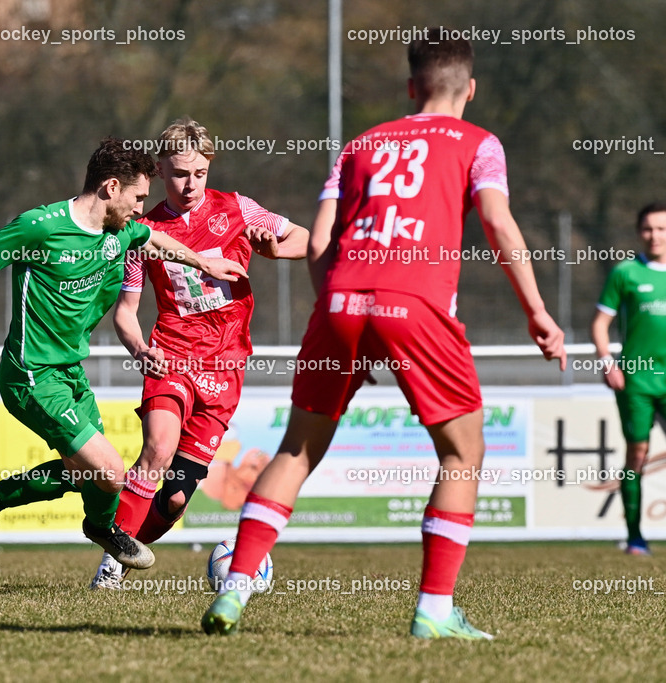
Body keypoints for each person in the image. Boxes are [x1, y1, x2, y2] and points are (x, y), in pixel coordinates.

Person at [201, 31, 567, 638]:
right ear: (470, 89)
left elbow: (318, 243)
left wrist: (342, 317)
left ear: (409, 87)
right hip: (415, 303)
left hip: (340, 300)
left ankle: (235, 588)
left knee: (296, 449)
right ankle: (434, 611)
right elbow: (499, 223)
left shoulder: (360, 144)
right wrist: (537, 312)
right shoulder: (479, 144)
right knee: (462, 453)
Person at [0, 137, 247, 571]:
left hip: (71, 372)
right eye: (138, 197)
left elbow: (157, 242)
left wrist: (205, 265)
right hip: (30, 374)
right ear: (111, 188)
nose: (141, 208)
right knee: (109, 473)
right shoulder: (41, 226)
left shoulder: (122, 230)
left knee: (83, 474)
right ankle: (103, 530)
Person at [88, 117, 309, 589]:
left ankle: (125, 555)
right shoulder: (143, 234)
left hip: (226, 366)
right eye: (178, 174)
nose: (190, 184)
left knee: (173, 502)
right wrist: (141, 349)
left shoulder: (238, 209)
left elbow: (306, 239)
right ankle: (110, 564)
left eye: (200, 173)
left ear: (210, 167)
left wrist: (275, 251)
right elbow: (126, 312)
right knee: (158, 448)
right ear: (160, 171)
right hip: (171, 354)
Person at [591, 202, 666, 556]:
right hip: (636, 381)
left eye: (662, 229)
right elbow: (599, 324)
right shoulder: (626, 272)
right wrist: (607, 363)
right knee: (637, 453)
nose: (655, 235)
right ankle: (635, 537)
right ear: (640, 232)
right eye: (649, 229)